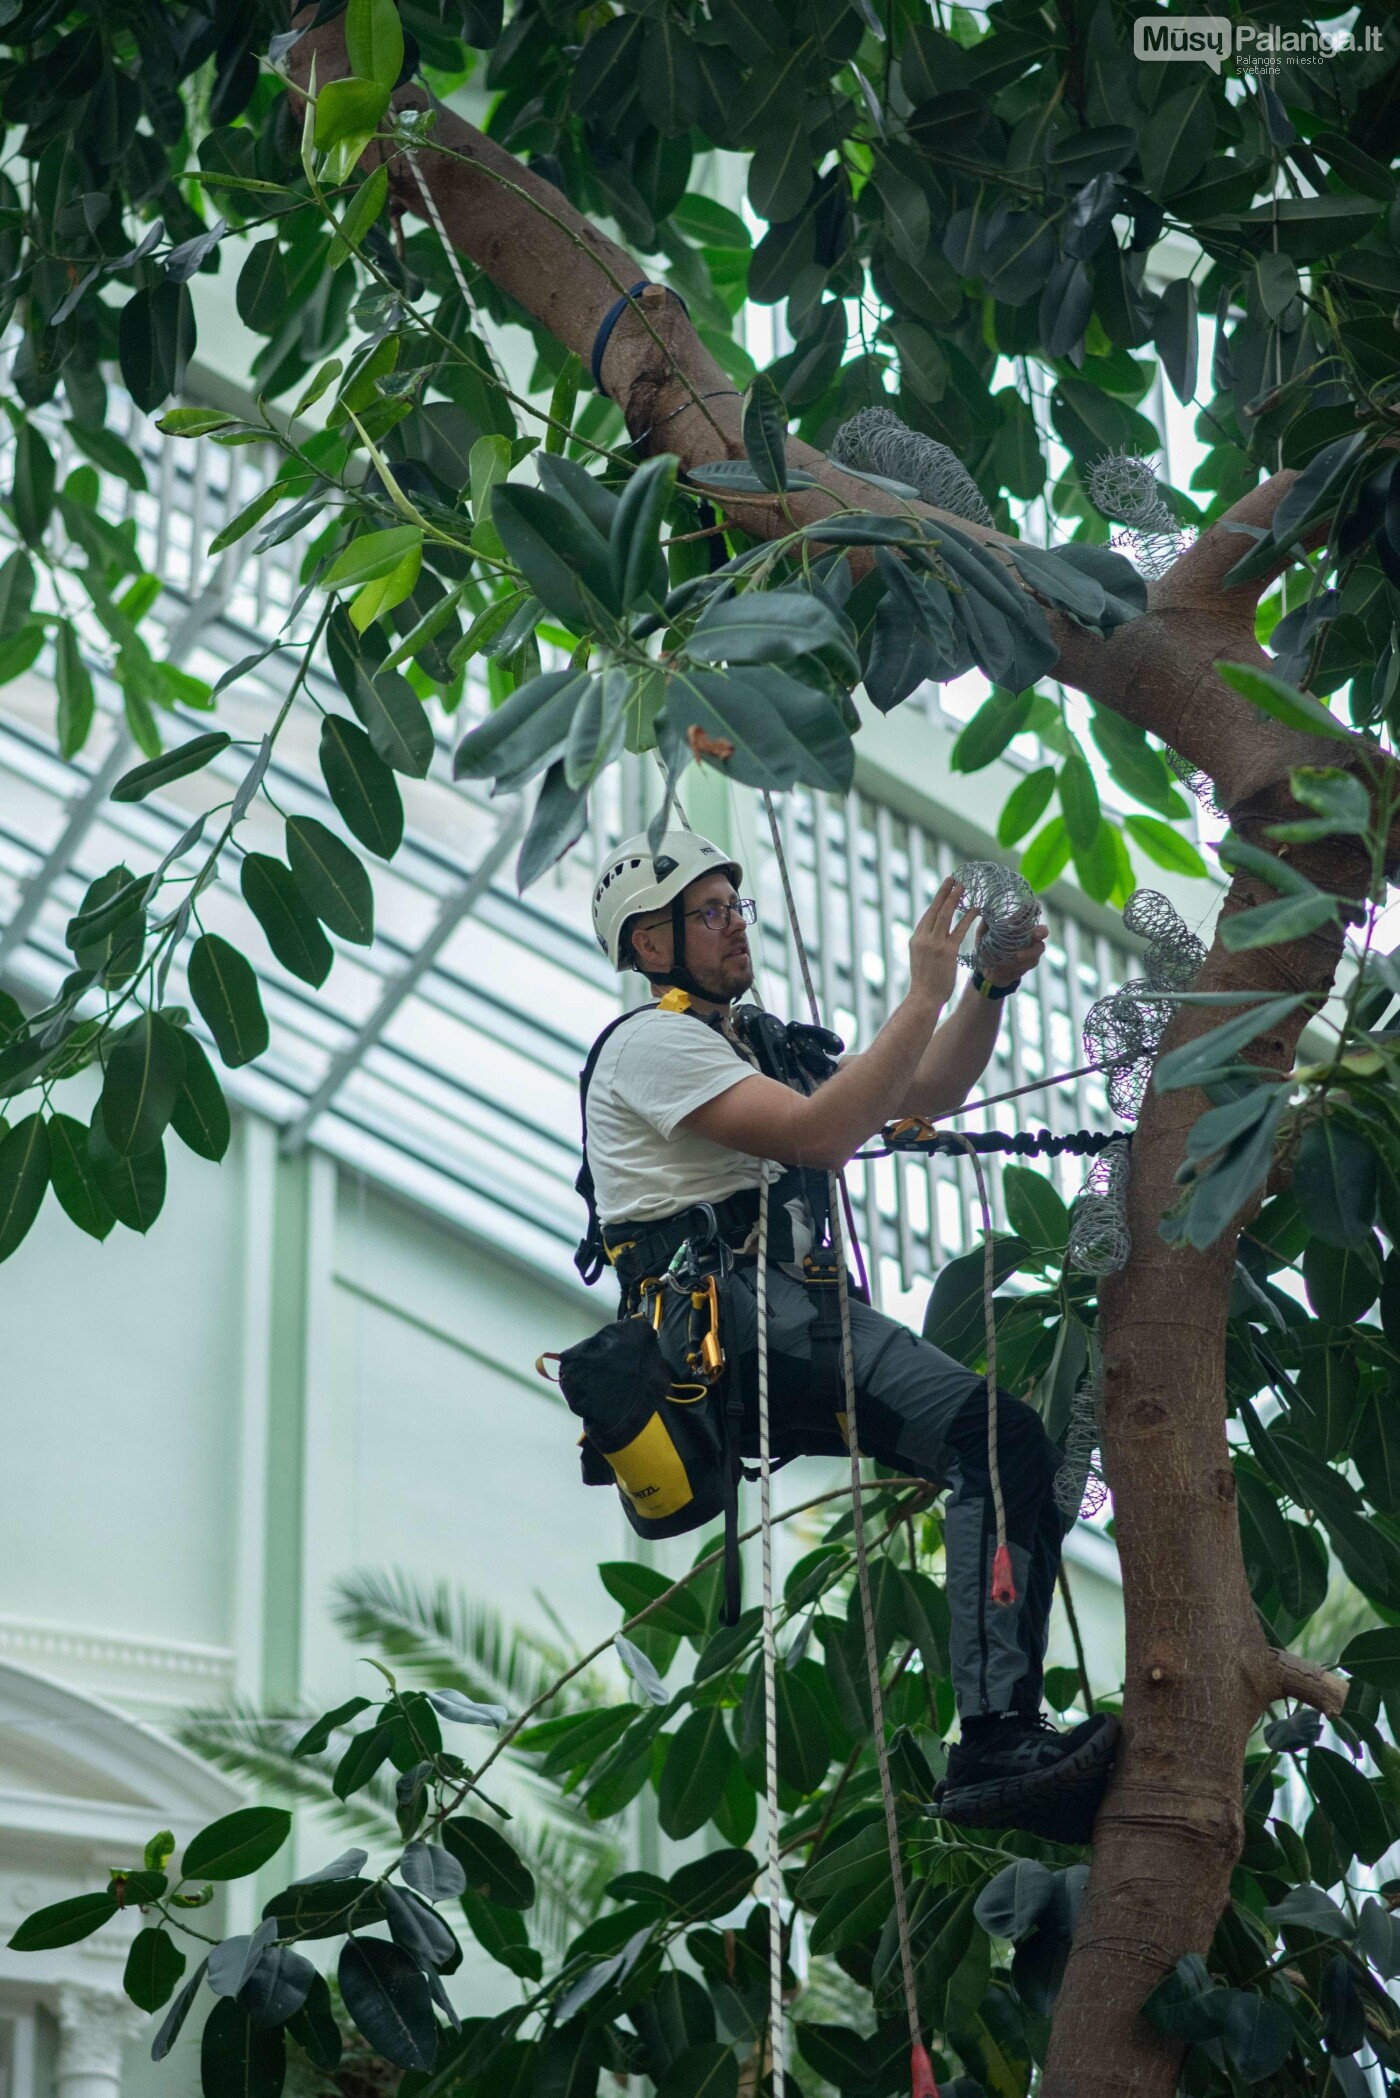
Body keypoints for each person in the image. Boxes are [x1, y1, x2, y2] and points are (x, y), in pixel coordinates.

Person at [582, 829, 1118, 1845]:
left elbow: (924, 1095)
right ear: (650, 945)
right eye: (707, 912)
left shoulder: (750, 1042)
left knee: (997, 1451)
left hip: (788, 1317)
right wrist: (920, 988)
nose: (734, 921)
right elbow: (822, 1135)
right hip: (734, 1327)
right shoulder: (649, 1046)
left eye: (733, 904)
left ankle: (998, 1735)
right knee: (995, 1442)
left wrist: (984, 990)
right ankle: (994, 1738)